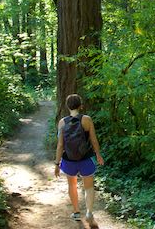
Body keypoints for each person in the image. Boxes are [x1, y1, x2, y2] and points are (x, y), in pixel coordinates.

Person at [54, 94, 105, 223]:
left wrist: (57, 163)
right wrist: (98, 154)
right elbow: (93, 140)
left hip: (69, 160)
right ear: (80, 105)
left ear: (67, 106)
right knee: (88, 186)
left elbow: (60, 145)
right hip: (86, 158)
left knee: (72, 185)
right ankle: (89, 213)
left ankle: (76, 212)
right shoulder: (86, 120)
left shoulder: (62, 122)